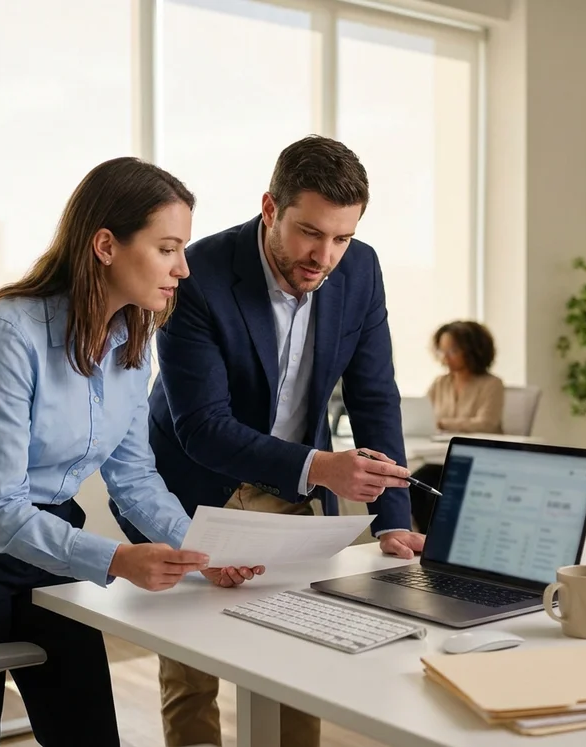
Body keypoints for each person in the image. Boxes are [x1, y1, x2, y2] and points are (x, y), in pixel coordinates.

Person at [0, 157, 262, 747]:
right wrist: (118, 559)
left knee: (88, 730)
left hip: (50, 535)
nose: (183, 268)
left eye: (183, 249)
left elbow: (135, 477)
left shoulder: (131, 342)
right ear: (106, 245)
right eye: (168, 248)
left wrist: (202, 551)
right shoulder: (8, 333)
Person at [110, 135, 424, 747]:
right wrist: (323, 467)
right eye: (310, 232)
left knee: (295, 657)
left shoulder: (360, 271)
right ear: (270, 208)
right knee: (193, 669)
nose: (325, 255)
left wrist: (392, 517)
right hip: (195, 485)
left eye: (342, 238)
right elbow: (201, 426)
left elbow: (374, 397)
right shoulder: (197, 276)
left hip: (293, 485)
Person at [410, 320, 504, 533]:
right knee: (413, 485)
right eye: (442, 351)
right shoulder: (440, 383)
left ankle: (442, 538)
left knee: (442, 492)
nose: (445, 358)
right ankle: (428, 538)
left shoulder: (491, 384)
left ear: (472, 350)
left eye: (453, 351)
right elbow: (425, 416)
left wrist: (442, 423)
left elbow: (486, 423)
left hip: (477, 459)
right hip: (440, 457)